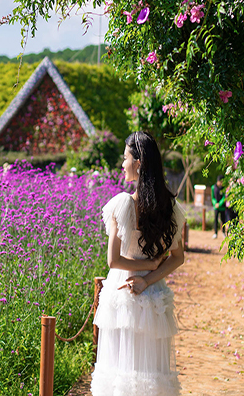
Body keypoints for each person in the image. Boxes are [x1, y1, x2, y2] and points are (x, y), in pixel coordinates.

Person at [91, 131, 186, 396]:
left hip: (123, 291)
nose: (122, 165)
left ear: (139, 163)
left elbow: (113, 260)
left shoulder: (123, 205)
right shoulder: (170, 208)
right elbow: (177, 258)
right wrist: (149, 274)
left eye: (126, 158)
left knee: (120, 371)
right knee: (150, 375)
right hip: (153, 294)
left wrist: (145, 271)